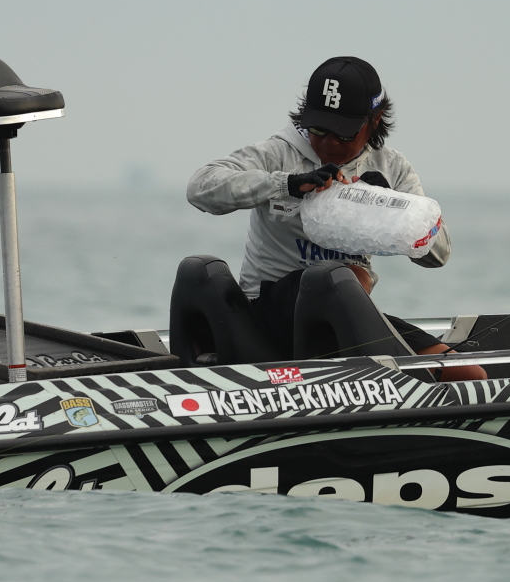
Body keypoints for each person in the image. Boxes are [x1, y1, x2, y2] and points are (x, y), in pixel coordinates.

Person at [186, 56, 486, 381]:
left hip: (347, 311)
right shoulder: (278, 153)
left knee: (468, 374)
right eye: (319, 129)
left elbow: (439, 255)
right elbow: (200, 187)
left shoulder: (392, 168)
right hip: (271, 313)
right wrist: (286, 184)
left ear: (374, 120)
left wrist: (394, 208)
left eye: (343, 134)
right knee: (331, 277)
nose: (328, 143)